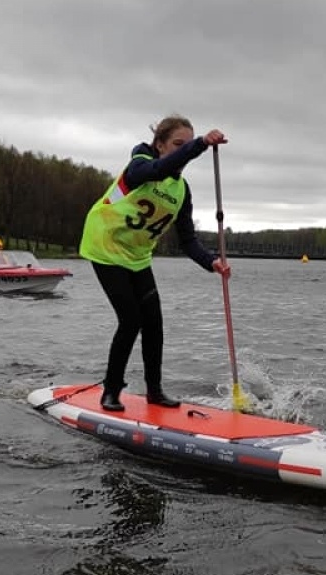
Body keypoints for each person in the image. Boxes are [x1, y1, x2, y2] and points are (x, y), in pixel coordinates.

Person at [79, 114, 231, 412]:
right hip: (104, 246)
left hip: (136, 257)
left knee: (154, 324)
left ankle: (154, 392)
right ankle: (111, 391)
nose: (183, 151)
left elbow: (187, 240)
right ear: (159, 144)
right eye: (177, 144)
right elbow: (159, 168)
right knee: (130, 320)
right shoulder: (140, 165)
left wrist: (212, 262)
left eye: (187, 145)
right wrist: (200, 144)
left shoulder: (181, 191)